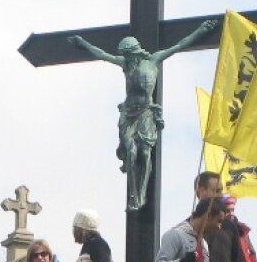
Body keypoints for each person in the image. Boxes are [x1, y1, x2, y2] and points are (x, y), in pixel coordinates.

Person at [67, 19, 217, 211]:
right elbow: (102, 54)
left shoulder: (153, 60)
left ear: (135, 52)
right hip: (129, 113)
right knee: (131, 151)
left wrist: (200, 31)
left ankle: (141, 194)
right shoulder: (125, 65)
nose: (126, 58)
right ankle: (133, 196)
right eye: (124, 55)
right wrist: (83, 43)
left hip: (146, 112)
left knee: (145, 153)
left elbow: (179, 45)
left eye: (128, 54)